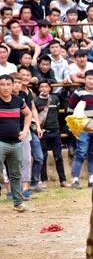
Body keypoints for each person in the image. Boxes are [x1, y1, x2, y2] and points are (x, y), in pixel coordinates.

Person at [67, 70, 93, 189]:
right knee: (81, 153)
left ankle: (92, 178)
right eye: (89, 78)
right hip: (83, 128)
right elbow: (70, 111)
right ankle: (75, 179)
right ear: (85, 79)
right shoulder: (78, 93)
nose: (91, 81)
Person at [0, 74, 34, 212]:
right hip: (1, 143)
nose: (5, 87)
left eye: (8, 84)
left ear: (13, 85)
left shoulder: (18, 101)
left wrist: (25, 131)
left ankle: (18, 204)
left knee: (16, 175)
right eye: (2, 84)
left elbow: (29, 114)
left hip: (16, 143)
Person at [34, 80, 67, 189]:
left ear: (50, 88)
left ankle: (63, 180)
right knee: (43, 156)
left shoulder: (55, 99)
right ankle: (44, 180)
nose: (44, 89)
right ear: (39, 89)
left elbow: (57, 113)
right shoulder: (36, 101)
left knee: (58, 156)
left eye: (46, 87)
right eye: (42, 87)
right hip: (43, 132)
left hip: (55, 131)